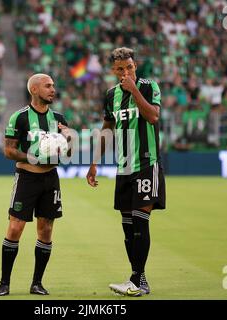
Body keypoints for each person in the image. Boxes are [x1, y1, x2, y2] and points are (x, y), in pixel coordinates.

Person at [86, 47, 166, 297]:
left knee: (141, 222)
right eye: (120, 69)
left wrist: (133, 91)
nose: (125, 72)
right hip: (124, 167)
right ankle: (137, 279)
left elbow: (153, 117)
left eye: (129, 67)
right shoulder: (111, 95)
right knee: (128, 227)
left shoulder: (148, 86)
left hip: (146, 162)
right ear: (113, 70)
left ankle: (137, 281)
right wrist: (95, 161)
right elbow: (107, 128)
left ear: (135, 65)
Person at [0, 73, 71, 296]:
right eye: (48, 86)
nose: (53, 90)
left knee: (46, 230)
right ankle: (4, 283)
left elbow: (68, 154)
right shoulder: (19, 117)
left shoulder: (59, 118)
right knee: (15, 227)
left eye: (53, 86)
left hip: (50, 179)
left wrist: (68, 137)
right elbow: (9, 150)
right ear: (34, 90)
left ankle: (37, 283)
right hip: (27, 178)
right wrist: (34, 157)